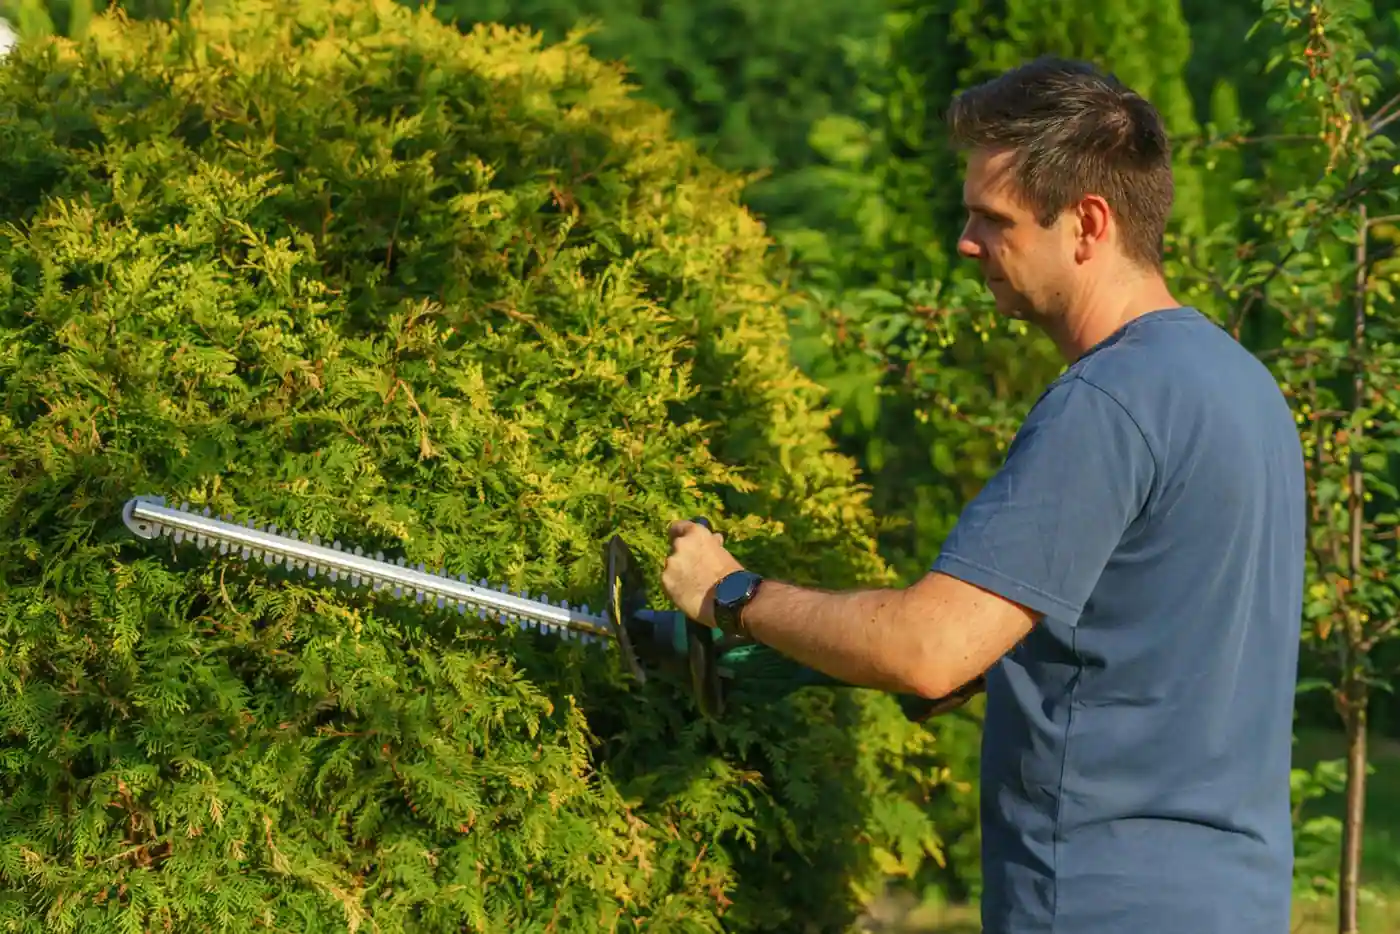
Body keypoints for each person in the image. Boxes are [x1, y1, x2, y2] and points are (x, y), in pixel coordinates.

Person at [661, 56, 1306, 934]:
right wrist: (826, 648)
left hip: (1096, 900)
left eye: (992, 218)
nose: (967, 241)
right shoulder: (1240, 385)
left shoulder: (1105, 405)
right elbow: (1158, 631)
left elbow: (930, 649)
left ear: (1087, 223)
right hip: (1236, 899)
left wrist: (732, 595)